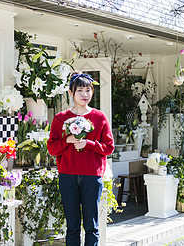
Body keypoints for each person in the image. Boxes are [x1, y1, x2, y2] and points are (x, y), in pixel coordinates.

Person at [47, 72, 114, 246]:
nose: (85, 95)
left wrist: (89, 144)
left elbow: (109, 147)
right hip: (67, 177)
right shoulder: (61, 118)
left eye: (88, 90)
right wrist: (67, 140)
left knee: (91, 226)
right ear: (71, 93)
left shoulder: (99, 117)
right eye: (80, 91)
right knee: (72, 226)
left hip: (92, 177)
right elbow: (52, 148)